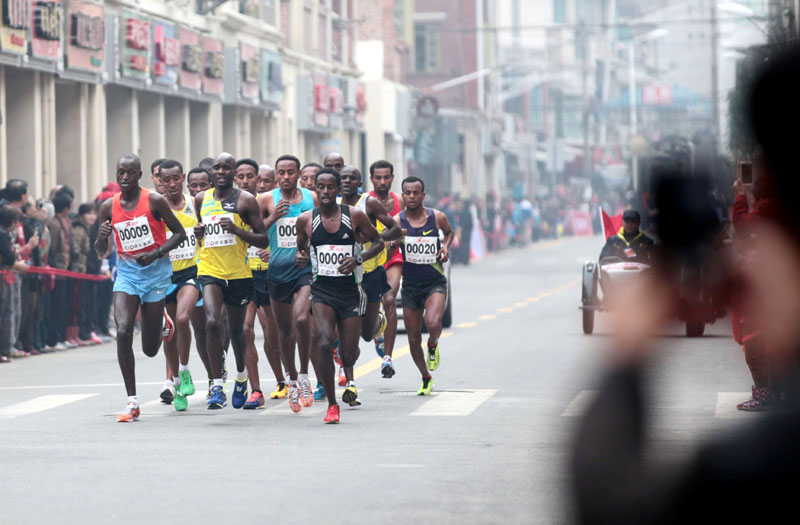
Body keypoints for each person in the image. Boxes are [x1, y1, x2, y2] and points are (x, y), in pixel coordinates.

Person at [95, 154, 187, 422]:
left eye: (130, 172)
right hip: (127, 275)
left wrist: (157, 253)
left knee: (150, 349)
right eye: (120, 172)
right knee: (123, 330)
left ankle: (163, 324)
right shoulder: (108, 207)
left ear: (139, 176)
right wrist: (101, 239)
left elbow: (179, 233)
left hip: (156, 276)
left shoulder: (154, 201)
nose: (124, 177)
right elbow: (101, 251)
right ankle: (132, 401)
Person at [296, 167, 384, 423]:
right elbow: (299, 250)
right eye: (320, 187)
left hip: (350, 292)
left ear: (337, 190)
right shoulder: (306, 220)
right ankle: (332, 405)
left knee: (348, 353)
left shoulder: (354, 216)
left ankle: (348, 370)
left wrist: (357, 258)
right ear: (316, 189)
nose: (324, 192)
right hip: (322, 291)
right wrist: (300, 257)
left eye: (329, 187)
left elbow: (377, 241)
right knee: (323, 341)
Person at [193, 153, 268, 410]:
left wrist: (237, 230)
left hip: (238, 274)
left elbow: (263, 239)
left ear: (234, 172)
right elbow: (201, 233)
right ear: (211, 172)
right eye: (217, 168)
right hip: (210, 269)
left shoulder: (245, 200)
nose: (222, 171)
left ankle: (240, 377)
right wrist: (199, 233)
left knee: (237, 332)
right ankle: (216, 385)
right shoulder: (201, 199)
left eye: (227, 167)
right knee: (213, 322)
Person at [258, 155, 318, 412]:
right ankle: (291, 378)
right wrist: (273, 218)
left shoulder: (310, 198)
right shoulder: (265, 199)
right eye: (281, 172)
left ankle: (304, 375)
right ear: (275, 174)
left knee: (302, 320)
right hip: (277, 272)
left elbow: (323, 229)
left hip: (303, 270)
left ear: (298, 173)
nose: (285, 177)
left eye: (290, 172)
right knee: (284, 330)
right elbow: (255, 233)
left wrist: (309, 250)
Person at [339, 166, 403, 378]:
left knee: (367, 334)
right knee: (345, 326)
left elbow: (394, 230)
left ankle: (379, 320)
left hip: (370, 271)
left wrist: (371, 237)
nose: (347, 181)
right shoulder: (332, 205)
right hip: (343, 275)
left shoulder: (369, 203)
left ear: (360, 183)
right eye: (344, 178)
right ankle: (349, 381)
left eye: (352, 178)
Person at [395, 176, 454, 395]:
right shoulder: (397, 221)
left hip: (434, 282)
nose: (411, 196)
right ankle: (425, 377)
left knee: (433, 322)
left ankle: (433, 344)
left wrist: (445, 247)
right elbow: (386, 242)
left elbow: (449, 233)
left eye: (415, 193)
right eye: (407, 193)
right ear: (402, 195)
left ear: (423, 195)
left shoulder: (436, 217)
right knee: (412, 337)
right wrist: (393, 242)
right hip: (410, 284)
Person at [235, 160, 286, 409]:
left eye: (265, 180)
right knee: (245, 331)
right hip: (245, 276)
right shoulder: (235, 206)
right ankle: (255, 390)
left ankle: (282, 379)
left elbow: (270, 238)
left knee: (272, 337)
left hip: (270, 276)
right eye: (242, 177)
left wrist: (273, 253)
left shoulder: (274, 205)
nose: (253, 183)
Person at [158, 160, 203, 412]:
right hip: (164, 277)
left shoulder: (194, 203)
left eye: (177, 178)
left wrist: (201, 233)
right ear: (160, 182)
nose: (173, 183)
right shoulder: (155, 208)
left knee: (183, 319)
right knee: (168, 331)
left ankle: (184, 372)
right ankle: (175, 384)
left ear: (183, 178)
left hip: (189, 272)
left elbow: (208, 232)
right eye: (167, 180)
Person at [369, 160, 405, 360]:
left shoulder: (401, 200)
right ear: (372, 179)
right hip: (371, 257)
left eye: (386, 177)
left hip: (394, 256)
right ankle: (377, 329)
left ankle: (388, 357)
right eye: (378, 178)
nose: (382, 182)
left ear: (392, 178)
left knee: (389, 298)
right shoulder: (365, 202)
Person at [70, 203, 101, 345]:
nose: (92, 217)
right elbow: (77, 252)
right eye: (89, 214)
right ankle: (81, 332)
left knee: (90, 303)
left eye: (94, 214)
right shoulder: (78, 228)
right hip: (81, 272)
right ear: (82, 215)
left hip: (90, 271)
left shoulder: (91, 229)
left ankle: (88, 331)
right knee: (80, 304)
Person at [45, 193, 73, 350]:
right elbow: (53, 248)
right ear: (66, 207)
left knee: (64, 305)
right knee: (56, 306)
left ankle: (62, 336)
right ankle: (54, 339)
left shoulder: (64, 221)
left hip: (66, 269)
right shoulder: (54, 224)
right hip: (58, 270)